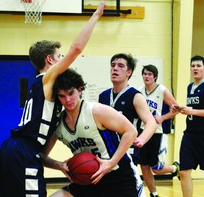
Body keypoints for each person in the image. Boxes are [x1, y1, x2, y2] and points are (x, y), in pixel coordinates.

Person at [0, 0, 110, 197]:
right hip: (23, 151)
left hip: (14, 150)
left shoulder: (44, 88)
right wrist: (96, 16)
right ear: (49, 60)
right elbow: (76, 48)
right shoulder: (47, 79)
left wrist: (59, 164)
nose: (62, 58)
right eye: (59, 56)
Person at [39, 68, 146, 197]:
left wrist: (111, 162)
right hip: (87, 179)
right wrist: (60, 165)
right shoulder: (59, 124)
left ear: (79, 90)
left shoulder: (96, 111)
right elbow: (42, 156)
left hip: (118, 176)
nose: (67, 99)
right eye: (62, 96)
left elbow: (131, 132)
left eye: (70, 93)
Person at [172, 55, 204, 197]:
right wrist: (182, 108)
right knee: (183, 171)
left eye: (198, 66)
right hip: (190, 135)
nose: (195, 68)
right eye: (193, 66)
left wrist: (192, 111)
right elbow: (195, 108)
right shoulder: (191, 87)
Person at [98, 53, 157, 165]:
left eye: (120, 66)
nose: (115, 68)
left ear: (128, 72)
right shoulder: (103, 96)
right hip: (106, 150)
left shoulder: (135, 96)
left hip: (127, 151)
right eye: (113, 65)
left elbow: (151, 122)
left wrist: (141, 139)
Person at [138, 64, 180, 197]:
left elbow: (177, 109)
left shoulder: (162, 90)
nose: (147, 76)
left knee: (156, 168)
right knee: (144, 166)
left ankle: (175, 168)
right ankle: (154, 194)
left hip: (158, 132)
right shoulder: (139, 91)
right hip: (143, 132)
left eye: (150, 74)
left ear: (155, 77)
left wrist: (162, 118)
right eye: (145, 74)